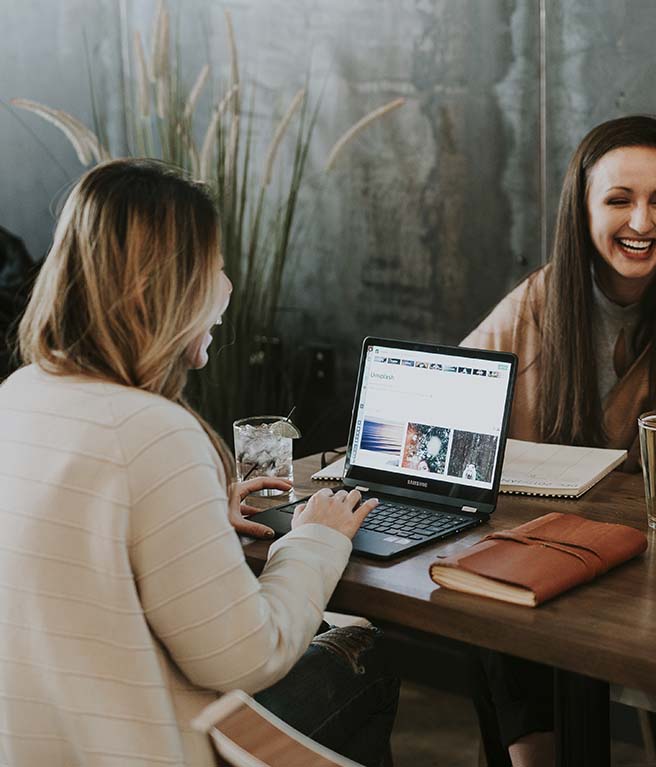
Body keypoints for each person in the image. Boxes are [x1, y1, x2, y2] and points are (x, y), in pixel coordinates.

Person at [0, 159, 398, 767]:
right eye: (213, 267)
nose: (228, 287)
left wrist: (201, 512)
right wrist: (313, 541)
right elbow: (246, 657)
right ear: (170, 286)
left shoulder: (21, 393)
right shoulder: (155, 432)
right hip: (144, 745)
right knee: (366, 654)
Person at [463, 114, 656, 766]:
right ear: (581, 210)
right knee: (490, 606)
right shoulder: (539, 301)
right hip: (541, 567)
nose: (643, 222)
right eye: (618, 200)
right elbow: (458, 405)